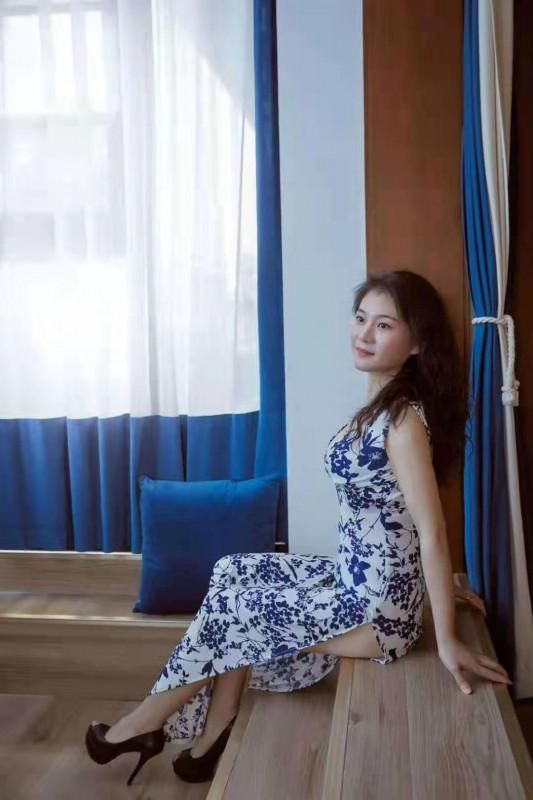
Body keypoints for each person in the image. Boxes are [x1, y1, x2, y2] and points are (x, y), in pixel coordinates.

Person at [85, 270, 512, 785]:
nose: (364, 334)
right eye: (361, 319)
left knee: (233, 609)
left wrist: (446, 637)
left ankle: (145, 724)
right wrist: (427, 583)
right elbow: (391, 519)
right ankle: (214, 731)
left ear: (417, 342)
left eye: (383, 325)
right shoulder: (378, 409)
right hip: (355, 581)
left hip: (378, 614)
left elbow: (431, 530)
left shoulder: (402, 422)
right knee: (233, 570)